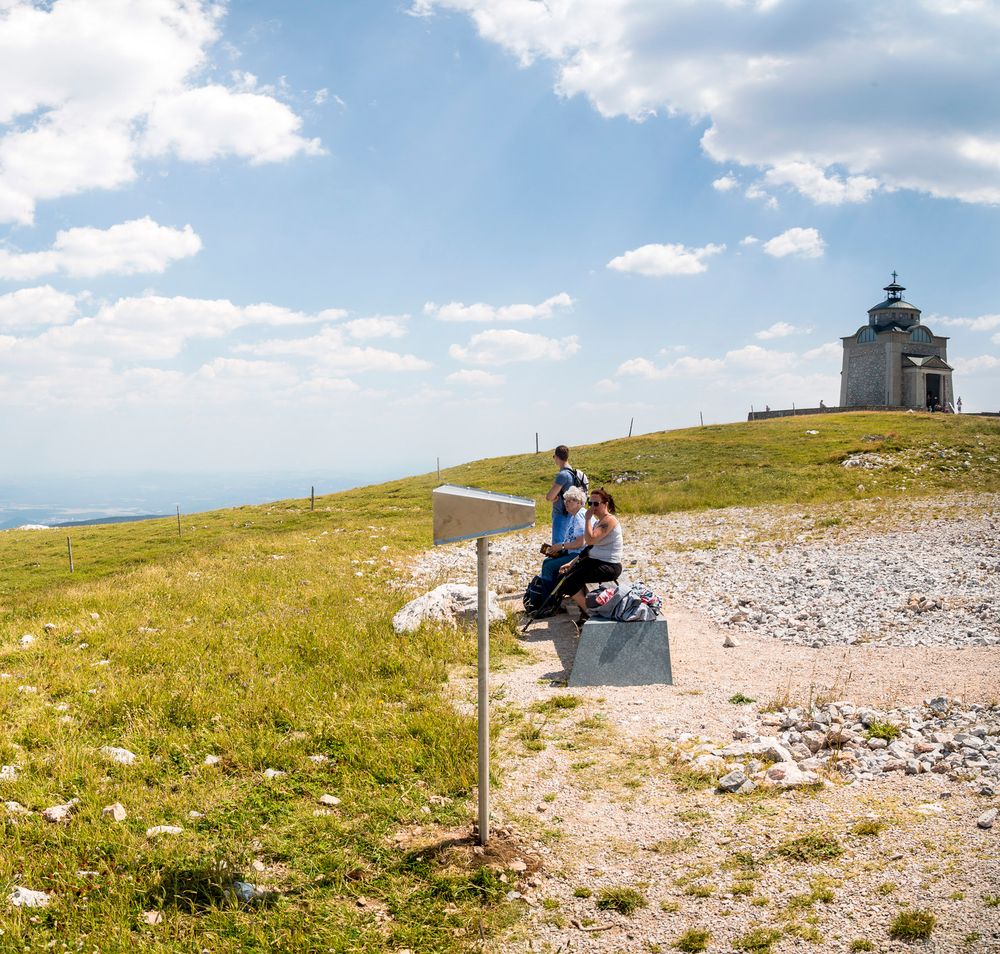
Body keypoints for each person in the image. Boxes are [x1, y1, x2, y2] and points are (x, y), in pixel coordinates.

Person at [558, 488, 623, 623]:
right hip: (595, 561)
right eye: (590, 503)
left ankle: (590, 614)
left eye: (596, 504)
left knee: (570, 581)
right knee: (565, 575)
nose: (593, 507)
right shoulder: (600, 521)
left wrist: (587, 518)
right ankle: (586, 611)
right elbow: (589, 547)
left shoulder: (609, 520)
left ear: (605, 504)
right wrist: (572, 563)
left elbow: (591, 539)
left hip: (609, 565)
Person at [538, 486, 590, 582]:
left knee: (548, 566)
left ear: (579, 502)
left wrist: (561, 546)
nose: (566, 503)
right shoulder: (575, 516)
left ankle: (548, 596)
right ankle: (551, 591)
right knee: (547, 562)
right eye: (566, 500)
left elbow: (580, 542)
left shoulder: (580, 516)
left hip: (579, 555)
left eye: (570, 500)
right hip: (575, 553)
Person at [545, 444, 577, 544]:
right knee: (566, 543)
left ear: (557, 457)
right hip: (571, 514)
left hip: (561, 513)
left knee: (558, 544)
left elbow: (550, 496)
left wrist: (551, 498)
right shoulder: (573, 473)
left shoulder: (563, 475)